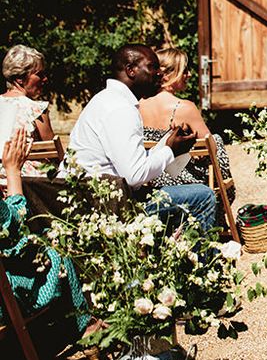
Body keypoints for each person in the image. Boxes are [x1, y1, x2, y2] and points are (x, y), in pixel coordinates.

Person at [64, 44, 216, 231]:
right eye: (152, 67)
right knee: (203, 195)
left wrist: (166, 144)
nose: (160, 73)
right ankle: (197, 260)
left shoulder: (107, 99)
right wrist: (170, 150)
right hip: (106, 206)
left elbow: (130, 162)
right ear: (131, 70)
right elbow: (135, 175)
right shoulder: (120, 109)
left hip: (96, 196)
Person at [1, 128, 89, 332]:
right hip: (5, 300)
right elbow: (15, 231)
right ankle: (83, 327)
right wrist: (13, 171)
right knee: (53, 245)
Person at [139, 47, 235, 222]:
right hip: (183, 181)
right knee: (216, 140)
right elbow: (210, 148)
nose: (189, 75)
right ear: (166, 76)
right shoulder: (184, 108)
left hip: (151, 179)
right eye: (184, 71)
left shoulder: (138, 105)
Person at [0, 44, 53, 176]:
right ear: (19, 78)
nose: (45, 79)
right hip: (26, 185)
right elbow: (55, 154)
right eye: (39, 75)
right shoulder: (35, 109)